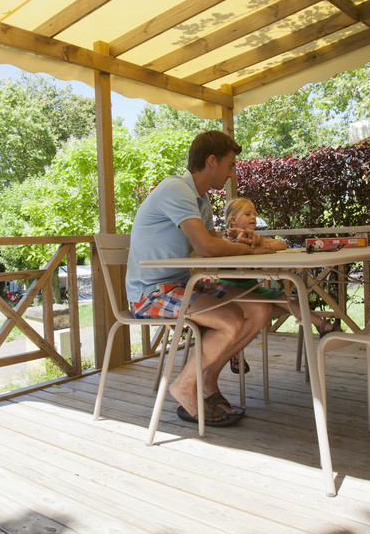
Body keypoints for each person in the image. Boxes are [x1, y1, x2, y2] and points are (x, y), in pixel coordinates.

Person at [125, 131, 276, 428]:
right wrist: (244, 249)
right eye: (230, 165)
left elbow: (210, 242)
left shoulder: (201, 199)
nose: (233, 172)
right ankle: (184, 386)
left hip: (182, 284)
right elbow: (207, 249)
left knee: (261, 308)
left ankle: (207, 378)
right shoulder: (176, 189)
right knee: (230, 319)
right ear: (211, 161)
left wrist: (234, 239)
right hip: (150, 292)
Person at [222, 198, 336, 374]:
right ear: (233, 220)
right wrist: (247, 243)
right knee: (261, 304)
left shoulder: (256, 238)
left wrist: (257, 242)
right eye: (247, 214)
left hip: (252, 287)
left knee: (284, 298)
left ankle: (323, 326)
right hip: (229, 290)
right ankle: (235, 351)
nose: (253, 217)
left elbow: (281, 244)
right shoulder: (225, 240)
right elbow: (232, 249)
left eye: (254, 214)